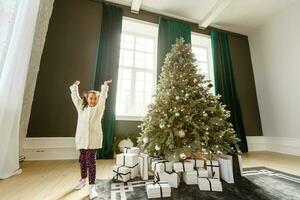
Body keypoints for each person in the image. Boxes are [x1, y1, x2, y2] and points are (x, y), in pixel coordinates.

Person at [69, 79, 112, 199]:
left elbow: (103, 98)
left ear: (97, 100)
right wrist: (74, 87)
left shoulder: (98, 109)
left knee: (91, 163)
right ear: (87, 99)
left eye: (95, 98)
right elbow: (75, 98)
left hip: (93, 140)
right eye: (91, 98)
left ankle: (92, 186)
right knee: (82, 160)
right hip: (82, 139)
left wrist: (104, 87)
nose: (93, 100)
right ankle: (82, 180)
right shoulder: (81, 108)